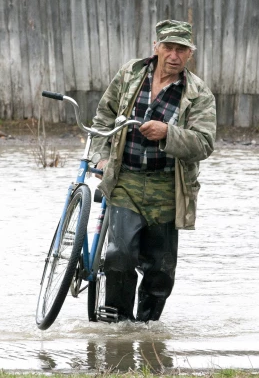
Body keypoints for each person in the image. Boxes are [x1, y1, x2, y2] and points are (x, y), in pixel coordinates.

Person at [90, 19, 216, 322]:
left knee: (160, 272)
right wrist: (101, 158)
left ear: (189, 54)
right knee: (119, 256)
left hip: (167, 188)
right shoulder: (130, 75)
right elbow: (102, 120)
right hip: (125, 180)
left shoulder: (198, 94)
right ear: (155, 47)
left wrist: (168, 133)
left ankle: (147, 331)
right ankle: (118, 327)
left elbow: (204, 143)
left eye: (181, 50)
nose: (173, 55)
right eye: (168, 47)